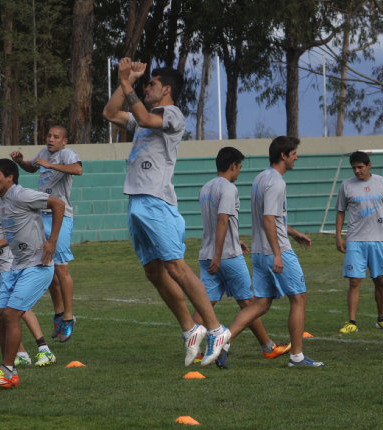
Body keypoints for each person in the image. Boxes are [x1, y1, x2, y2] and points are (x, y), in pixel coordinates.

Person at [102, 57, 230, 367]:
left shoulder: (172, 114)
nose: (147, 88)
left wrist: (126, 82)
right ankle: (191, 330)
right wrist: (125, 83)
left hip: (157, 201)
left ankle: (216, 329)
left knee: (175, 267)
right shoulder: (144, 116)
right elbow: (109, 113)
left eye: (152, 84)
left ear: (167, 90)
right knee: (153, 271)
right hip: (137, 201)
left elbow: (145, 118)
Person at [224, 136, 324, 367]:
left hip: (259, 252)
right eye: (294, 153)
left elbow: (272, 219)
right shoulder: (277, 182)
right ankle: (297, 356)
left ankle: (223, 342)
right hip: (275, 251)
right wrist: (278, 253)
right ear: (283, 155)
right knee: (298, 298)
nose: (296, 157)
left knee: (260, 303)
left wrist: (295, 233)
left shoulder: (260, 178)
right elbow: (269, 219)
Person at [192, 147, 291, 369]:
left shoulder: (205, 188)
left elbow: (215, 223)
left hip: (206, 254)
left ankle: (195, 351)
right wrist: (221, 253)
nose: (239, 172)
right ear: (233, 165)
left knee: (205, 305)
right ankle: (266, 347)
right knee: (249, 303)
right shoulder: (228, 188)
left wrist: (234, 242)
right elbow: (222, 220)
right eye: (240, 167)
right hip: (225, 257)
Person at [0, 159, 64, 389]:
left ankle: (8, 371)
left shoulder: (22, 195)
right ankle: (8, 370)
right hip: (17, 266)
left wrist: (52, 242)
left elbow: (58, 204)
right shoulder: (0, 202)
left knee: (11, 315)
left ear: (10, 177)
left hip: (38, 266)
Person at [10, 125, 82, 342]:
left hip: (61, 216)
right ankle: (59, 313)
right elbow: (32, 168)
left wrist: (50, 164)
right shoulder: (43, 153)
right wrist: (21, 162)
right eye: (49, 135)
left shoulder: (67, 154)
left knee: (61, 269)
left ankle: (69, 317)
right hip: (42, 215)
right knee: (47, 266)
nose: (50, 139)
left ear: (64, 140)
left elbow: (78, 170)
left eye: (56, 137)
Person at [335, 151, 383, 333]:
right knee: (354, 282)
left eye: (360, 167)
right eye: (354, 168)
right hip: (355, 240)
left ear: (369, 165)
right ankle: (352, 322)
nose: (357, 171)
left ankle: (382, 319)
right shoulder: (346, 186)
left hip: (378, 240)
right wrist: (338, 236)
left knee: (380, 280)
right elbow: (340, 212)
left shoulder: (382, 183)